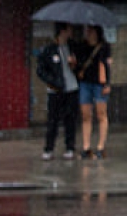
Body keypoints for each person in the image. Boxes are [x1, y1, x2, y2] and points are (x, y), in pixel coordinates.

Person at [36, 23, 79, 160]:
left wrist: (75, 64)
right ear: (62, 31)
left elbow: (80, 66)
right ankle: (49, 149)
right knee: (53, 121)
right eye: (69, 29)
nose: (71, 32)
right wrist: (52, 81)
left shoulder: (72, 47)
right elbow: (41, 70)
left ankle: (70, 147)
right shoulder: (49, 49)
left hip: (71, 88)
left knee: (70, 120)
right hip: (56, 90)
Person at [75, 24, 112, 159]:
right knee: (85, 114)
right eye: (87, 30)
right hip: (85, 83)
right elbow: (78, 64)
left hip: (99, 84)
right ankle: (86, 147)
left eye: (91, 30)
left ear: (97, 32)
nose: (88, 33)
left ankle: (101, 147)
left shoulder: (104, 47)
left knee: (101, 113)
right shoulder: (82, 46)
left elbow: (107, 65)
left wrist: (107, 83)